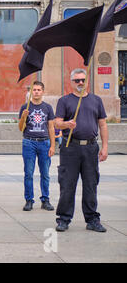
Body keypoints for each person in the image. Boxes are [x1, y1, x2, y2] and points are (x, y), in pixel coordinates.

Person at [54, 68, 108, 233]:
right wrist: (66, 124)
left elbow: (103, 124)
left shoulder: (96, 100)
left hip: (91, 147)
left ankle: (92, 219)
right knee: (67, 184)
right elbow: (57, 123)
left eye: (83, 80)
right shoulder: (65, 101)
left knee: (91, 184)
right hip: (71, 148)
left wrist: (105, 146)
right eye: (77, 80)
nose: (80, 83)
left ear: (87, 81)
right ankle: (63, 219)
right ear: (71, 82)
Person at [18, 81, 55, 212]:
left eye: (39, 90)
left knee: (45, 173)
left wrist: (52, 145)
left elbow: (51, 127)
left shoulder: (48, 108)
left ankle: (45, 199)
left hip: (44, 142)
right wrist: (23, 117)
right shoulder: (25, 107)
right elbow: (20, 128)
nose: (37, 92)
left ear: (43, 91)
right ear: (31, 92)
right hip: (29, 142)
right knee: (28, 173)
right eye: (34, 90)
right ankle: (29, 200)